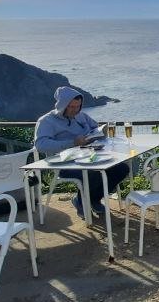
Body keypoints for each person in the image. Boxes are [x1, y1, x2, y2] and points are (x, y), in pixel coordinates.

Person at [34, 86, 130, 219]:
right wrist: (73, 142)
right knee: (93, 173)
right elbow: (40, 145)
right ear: (62, 105)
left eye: (78, 106)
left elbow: (95, 128)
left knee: (121, 168)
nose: (75, 110)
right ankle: (81, 202)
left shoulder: (81, 115)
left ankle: (92, 199)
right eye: (72, 107)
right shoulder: (46, 121)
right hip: (64, 162)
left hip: (88, 156)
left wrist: (99, 134)